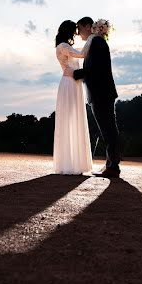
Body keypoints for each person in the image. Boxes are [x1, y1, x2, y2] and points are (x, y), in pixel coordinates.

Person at [72, 16, 121, 178]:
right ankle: (111, 164)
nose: (78, 33)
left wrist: (74, 74)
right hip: (100, 93)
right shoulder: (94, 42)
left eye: (79, 28)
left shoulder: (97, 42)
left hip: (102, 93)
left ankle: (113, 167)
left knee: (108, 129)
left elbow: (96, 69)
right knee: (107, 129)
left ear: (87, 26)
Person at [52, 20, 93, 175]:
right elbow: (82, 54)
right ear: (68, 31)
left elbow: (79, 53)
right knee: (69, 120)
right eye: (75, 30)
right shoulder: (63, 46)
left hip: (73, 83)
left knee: (75, 119)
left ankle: (75, 163)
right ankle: (68, 163)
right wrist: (92, 37)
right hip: (69, 84)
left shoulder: (65, 46)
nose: (76, 33)